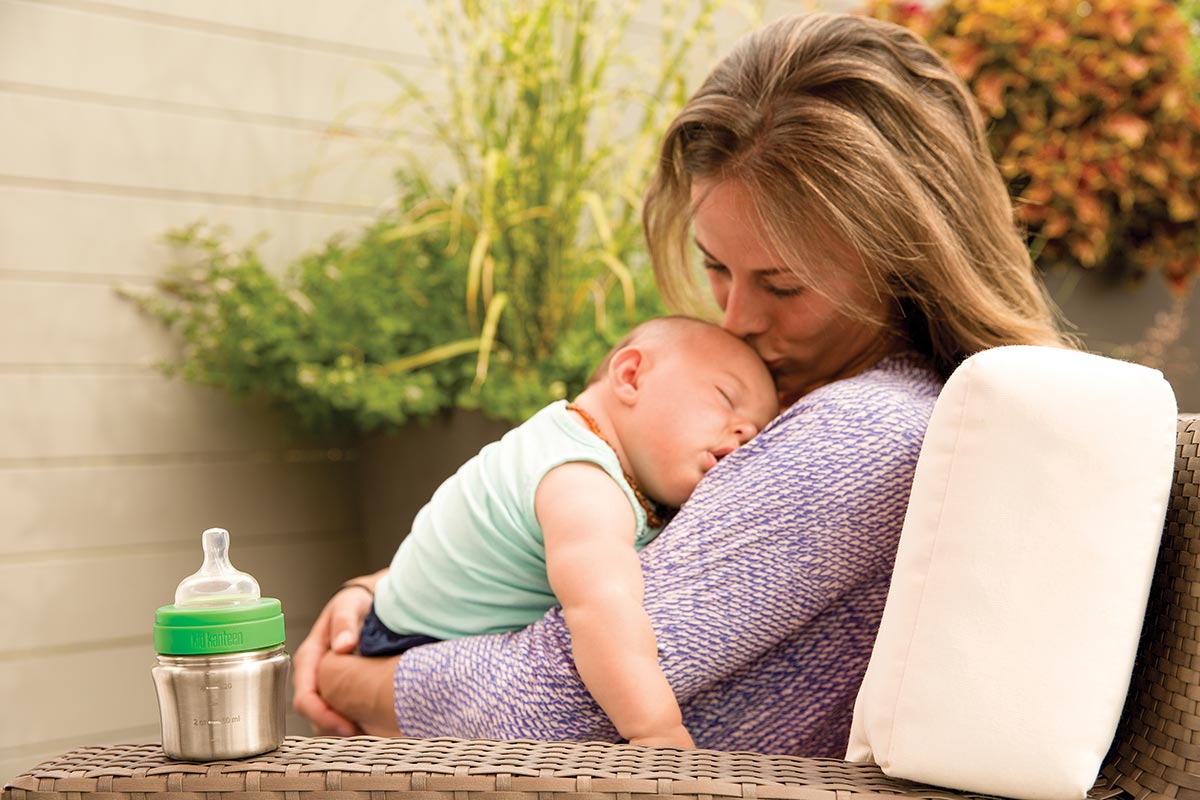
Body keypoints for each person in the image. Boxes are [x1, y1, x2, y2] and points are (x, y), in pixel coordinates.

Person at [294, 12, 1075, 755]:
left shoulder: (863, 432)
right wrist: (391, 596)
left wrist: (345, 676)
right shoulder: (789, 398)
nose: (735, 320)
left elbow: (544, 702)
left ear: (905, 258)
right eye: (716, 267)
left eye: (784, 285)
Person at [354, 315, 777, 748]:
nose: (747, 432)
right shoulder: (582, 480)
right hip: (417, 651)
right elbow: (603, 612)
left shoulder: (576, 446)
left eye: (760, 430)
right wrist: (657, 732)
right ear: (630, 376)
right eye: (726, 398)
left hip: (408, 630)